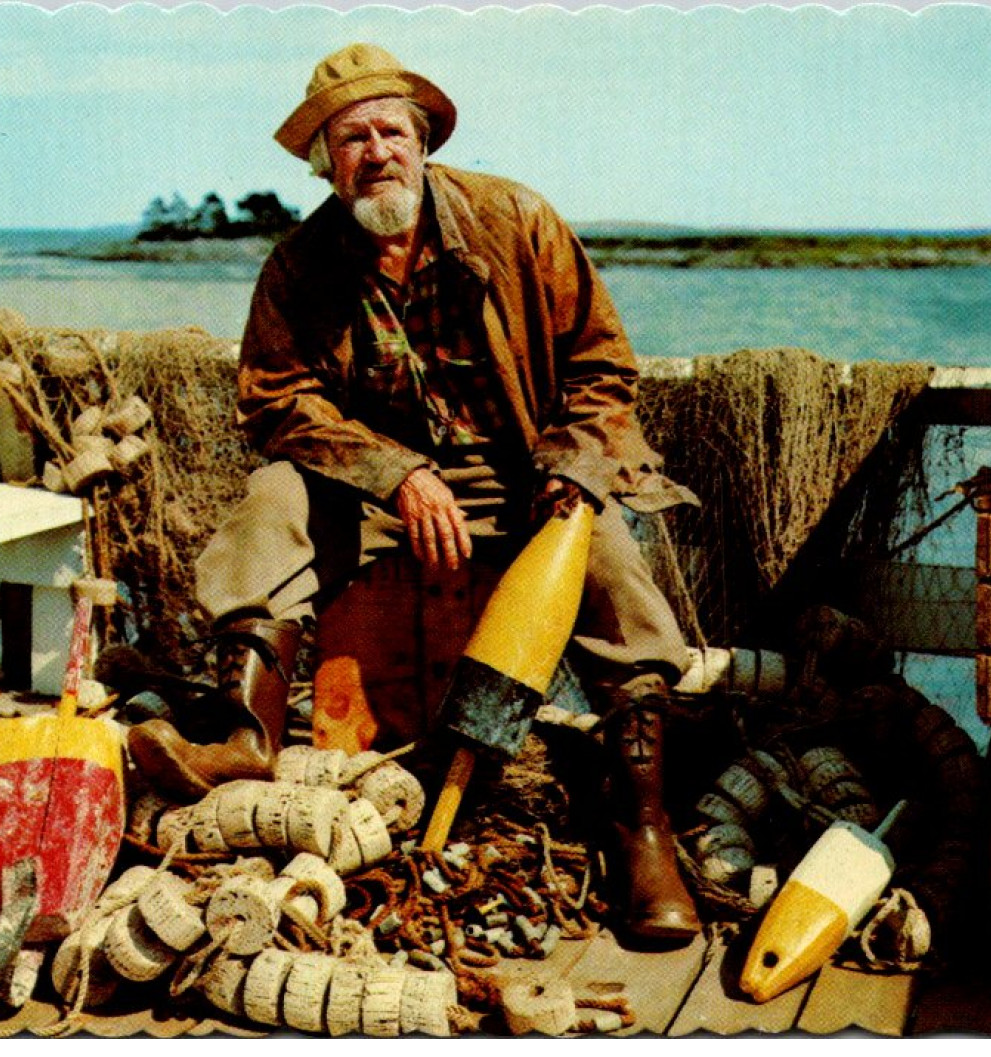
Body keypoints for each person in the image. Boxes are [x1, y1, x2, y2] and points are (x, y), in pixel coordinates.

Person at [121, 42, 702, 942]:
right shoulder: (300, 265)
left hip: (523, 473)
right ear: (325, 163)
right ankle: (246, 738)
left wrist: (570, 467)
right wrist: (397, 474)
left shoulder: (517, 220)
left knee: (613, 561)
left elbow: (601, 364)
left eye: (391, 130)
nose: (376, 152)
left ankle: (644, 830)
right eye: (350, 139)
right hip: (376, 495)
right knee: (272, 499)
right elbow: (277, 402)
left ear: (422, 141)